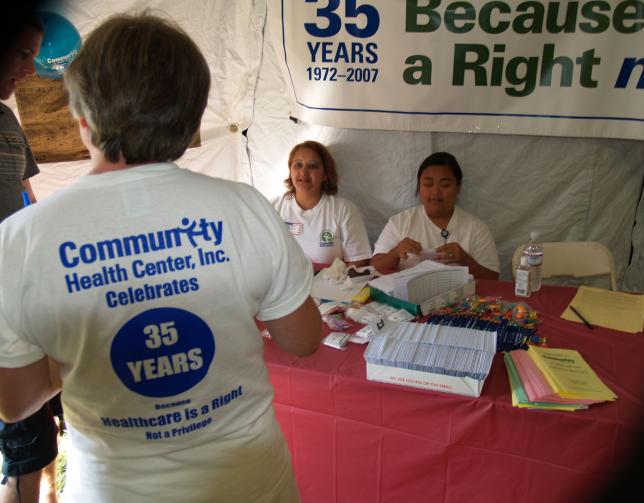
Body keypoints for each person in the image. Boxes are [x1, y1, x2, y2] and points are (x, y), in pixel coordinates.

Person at [0, 12, 322, 502]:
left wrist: (85, 352)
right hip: (253, 485)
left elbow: (14, 401)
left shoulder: (21, 239)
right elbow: (302, 340)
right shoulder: (247, 208)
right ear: (192, 117)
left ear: (83, 118)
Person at [0, 13, 61, 503]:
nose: (31, 69)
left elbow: (26, 198)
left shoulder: (7, 120)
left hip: (21, 296)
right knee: (21, 440)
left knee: (36, 443)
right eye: (22, 53)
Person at [371, 152, 500, 279]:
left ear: (458, 188)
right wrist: (396, 252)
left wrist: (466, 260)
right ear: (419, 187)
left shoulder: (476, 228)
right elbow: (374, 267)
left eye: (445, 185)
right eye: (428, 184)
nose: (435, 192)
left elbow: (493, 277)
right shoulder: (400, 222)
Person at [272, 140, 372, 268]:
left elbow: (359, 261)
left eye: (313, 166)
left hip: (329, 286)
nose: (304, 172)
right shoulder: (272, 208)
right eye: (298, 165)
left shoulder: (344, 210)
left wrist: (326, 278)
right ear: (290, 171)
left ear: (325, 175)